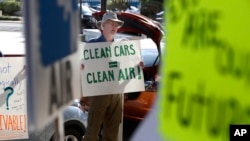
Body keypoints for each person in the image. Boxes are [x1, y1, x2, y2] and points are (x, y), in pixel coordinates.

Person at [82, 12, 143, 141]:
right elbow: (84, 71)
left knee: (112, 135)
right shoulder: (92, 45)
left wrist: (137, 68)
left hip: (117, 95)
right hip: (99, 93)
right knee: (91, 133)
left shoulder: (122, 46)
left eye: (116, 24)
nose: (114, 26)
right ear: (103, 26)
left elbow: (126, 70)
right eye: (111, 23)